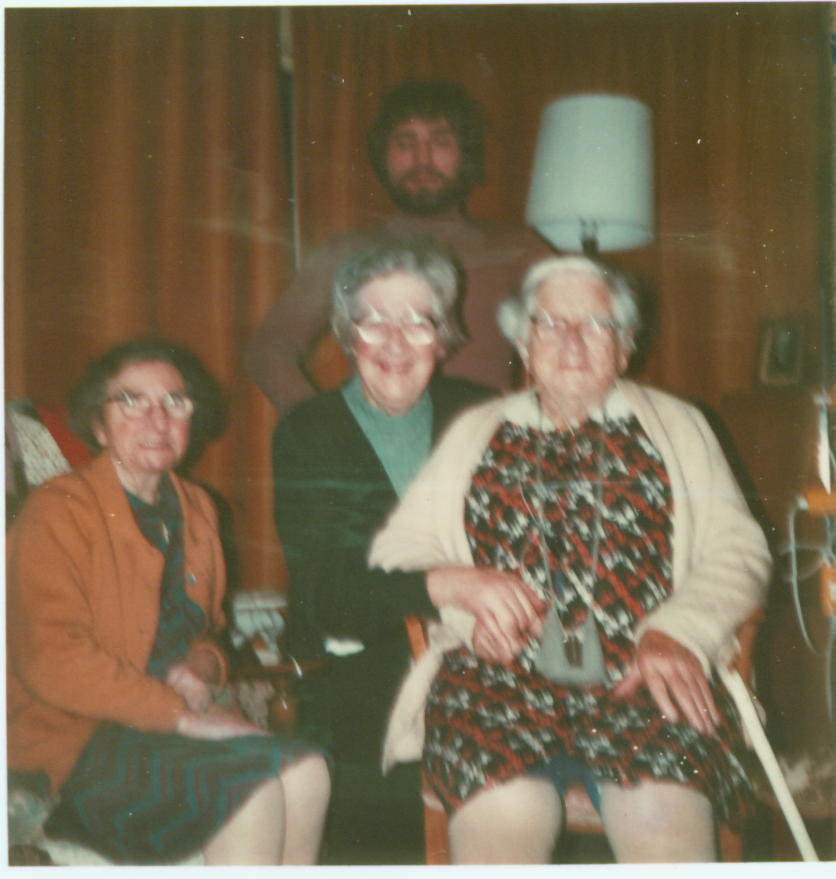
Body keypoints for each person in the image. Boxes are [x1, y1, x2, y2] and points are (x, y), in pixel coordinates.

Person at [369, 255, 772, 864]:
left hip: (643, 676)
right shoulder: (477, 431)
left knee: (661, 813)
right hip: (496, 680)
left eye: (597, 324)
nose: (573, 341)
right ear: (524, 344)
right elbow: (397, 551)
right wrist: (467, 603)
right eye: (551, 323)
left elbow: (740, 550)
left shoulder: (679, 426)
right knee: (505, 815)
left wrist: (679, 631)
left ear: (626, 346)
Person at [6, 338, 330, 865]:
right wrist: (180, 715)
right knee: (250, 792)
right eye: (131, 401)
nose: (156, 420)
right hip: (78, 744)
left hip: (169, 733)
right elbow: (52, 661)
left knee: (309, 771)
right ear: (99, 424)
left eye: (174, 402)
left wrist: (204, 664)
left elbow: (208, 630)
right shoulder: (57, 512)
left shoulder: (198, 507)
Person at [272, 238, 495, 864]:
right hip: (360, 679)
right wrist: (443, 584)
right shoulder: (309, 433)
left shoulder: (480, 416)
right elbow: (329, 599)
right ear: (347, 336)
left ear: (443, 338)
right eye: (374, 321)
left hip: (482, 662)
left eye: (418, 321)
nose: (395, 343)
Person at [246, 78, 553, 410]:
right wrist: (328, 429)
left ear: (464, 153)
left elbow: (578, 334)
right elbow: (268, 350)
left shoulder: (517, 249)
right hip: (379, 439)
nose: (422, 158)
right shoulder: (347, 252)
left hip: (485, 437)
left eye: (440, 141)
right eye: (405, 143)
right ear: (384, 155)